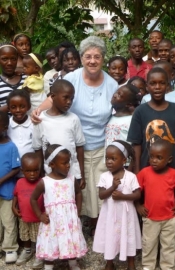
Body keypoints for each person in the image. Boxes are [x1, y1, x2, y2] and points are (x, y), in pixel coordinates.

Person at [31, 36, 118, 232]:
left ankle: (101, 230)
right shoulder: (71, 79)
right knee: (77, 190)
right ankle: (72, 228)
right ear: (81, 57)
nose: (92, 61)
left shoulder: (112, 84)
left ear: (103, 58)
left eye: (97, 56)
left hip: (101, 146)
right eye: (88, 56)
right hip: (73, 149)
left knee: (99, 190)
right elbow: (53, 99)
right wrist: (37, 112)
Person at [30, 144, 87, 270]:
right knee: (51, 240)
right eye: (64, 163)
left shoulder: (71, 179)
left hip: (69, 219)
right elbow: (33, 199)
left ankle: (72, 262)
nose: (68, 165)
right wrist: (40, 215)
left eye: (69, 162)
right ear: (52, 164)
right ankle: (48, 265)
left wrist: (77, 210)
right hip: (52, 220)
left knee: (71, 238)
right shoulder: (45, 182)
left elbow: (78, 193)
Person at [127, 67, 175, 176]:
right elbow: (136, 144)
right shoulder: (140, 111)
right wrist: (137, 171)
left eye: (162, 83)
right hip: (147, 170)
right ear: (147, 86)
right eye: (153, 83)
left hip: (172, 170)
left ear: (167, 85)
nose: (157, 87)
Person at [136, 139, 175, 270]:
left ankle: (167, 266)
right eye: (152, 156)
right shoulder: (144, 173)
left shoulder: (174, 174)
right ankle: (148, 266)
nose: (154, 160)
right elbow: (135, 190)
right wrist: (138, 205)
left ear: (169, 160)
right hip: (150, 217)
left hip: (169, 217)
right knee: (149, 243)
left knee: (169, 243)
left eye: (159, 157)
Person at [93, 140, 141, 270]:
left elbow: (137, 195)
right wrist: (112, 187)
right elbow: (101, 195)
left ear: (123, 160)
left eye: (113, 158)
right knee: (110, 236)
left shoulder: (130, 176)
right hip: (110, 215)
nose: (109, 161)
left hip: (127, 216)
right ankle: (109, 263)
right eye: (107, 158)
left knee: (129, 235)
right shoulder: (104, 176)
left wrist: (123, 196)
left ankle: (131, 262)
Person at [32, 79, 85, 188]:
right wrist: (41, 172)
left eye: (71, 98)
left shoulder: (73, 119)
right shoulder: (40, 120)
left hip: (72, 174)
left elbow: (79, 147)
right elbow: (37, 149)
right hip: (50, 176)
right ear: (53, 96)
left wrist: (82, 175)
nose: (69, 102)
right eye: (65, 97)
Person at [12, 152, 44, 268]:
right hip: (24, 217)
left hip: (37, 217)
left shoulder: (42, 182)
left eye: (35, 170)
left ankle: (39, 254)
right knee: (25, 235)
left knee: (38, 237)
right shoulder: (20, 182)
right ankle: (27, 250)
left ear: (40, 169)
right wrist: (13, 207)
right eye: (28, 171)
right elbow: (16, 195)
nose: (32, 174)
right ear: (22, 170)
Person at [0, 111, 21, 264]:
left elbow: (16, 168)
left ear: (4, 126)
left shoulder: (11, 146)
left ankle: (10, 248)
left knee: (8, 221)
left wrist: (1, 181)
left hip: (6, 190)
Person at [7, 89, 34, 177]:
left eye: (22, 106)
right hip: (10, 173)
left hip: (31, 173)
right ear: (8, 108)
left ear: (28, 106)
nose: (18, 110)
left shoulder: (34, 124)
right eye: (13, 107)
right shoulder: (5, 126)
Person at [105, 84, 141, 148]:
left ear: (128, 104)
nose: (115, 95)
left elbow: (135, 144)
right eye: (116, 92)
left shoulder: (131, 121)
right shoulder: (110, 116)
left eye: (120, 95)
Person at [0, 43, 26, 112]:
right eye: (4, 59)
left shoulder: (27, 78)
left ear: (17, 59)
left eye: (13, 59)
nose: (9, 63)